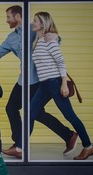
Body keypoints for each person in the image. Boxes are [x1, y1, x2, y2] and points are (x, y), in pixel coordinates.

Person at [0, 5, 77, 159]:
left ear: (17, 17)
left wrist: (56, 37)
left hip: (39, 80)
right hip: (23, 80)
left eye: (8, 17)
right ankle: (22, 143)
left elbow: (55, 39)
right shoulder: (12, 38)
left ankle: (22, 145)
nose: (7, 20)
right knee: (12, 108)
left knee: (36, 113)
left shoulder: (35, 29)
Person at [30, 11, 93, 160]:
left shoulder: (49, 40)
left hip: (54, 83)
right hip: (44, 85)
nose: (33, 23)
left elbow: (61, 62)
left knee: (70, 115)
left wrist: (64, 84)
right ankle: (22, 147)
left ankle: (88, 146)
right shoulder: (38, 41)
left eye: (36, 21)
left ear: (43, 24)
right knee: (30, 112)